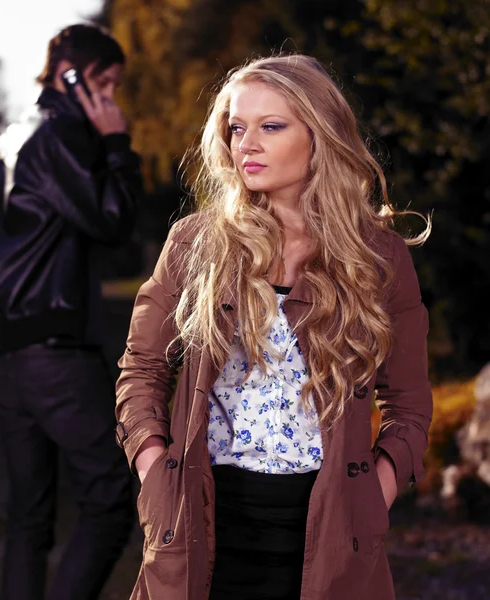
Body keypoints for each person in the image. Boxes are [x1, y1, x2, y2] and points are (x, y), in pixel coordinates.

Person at [114, 54, 432, 600]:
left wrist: (371, 497)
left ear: (320, 134)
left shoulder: (376, 256)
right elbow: (140, 371)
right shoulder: (195, 243)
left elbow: (409, 405)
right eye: (237, 128)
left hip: (331, 529)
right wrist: (155, 475)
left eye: (271, 126)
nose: (247, 144)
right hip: (205, 522)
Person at [0, 23, 141, 600]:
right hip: (54, 354)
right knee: (108, 499)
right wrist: (116, 143)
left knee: (29, 517)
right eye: (107, 84)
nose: (113, 100)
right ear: (70, 76)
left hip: (8, 356)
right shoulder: (60, 135)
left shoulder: (13, 137)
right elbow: (113, 221)